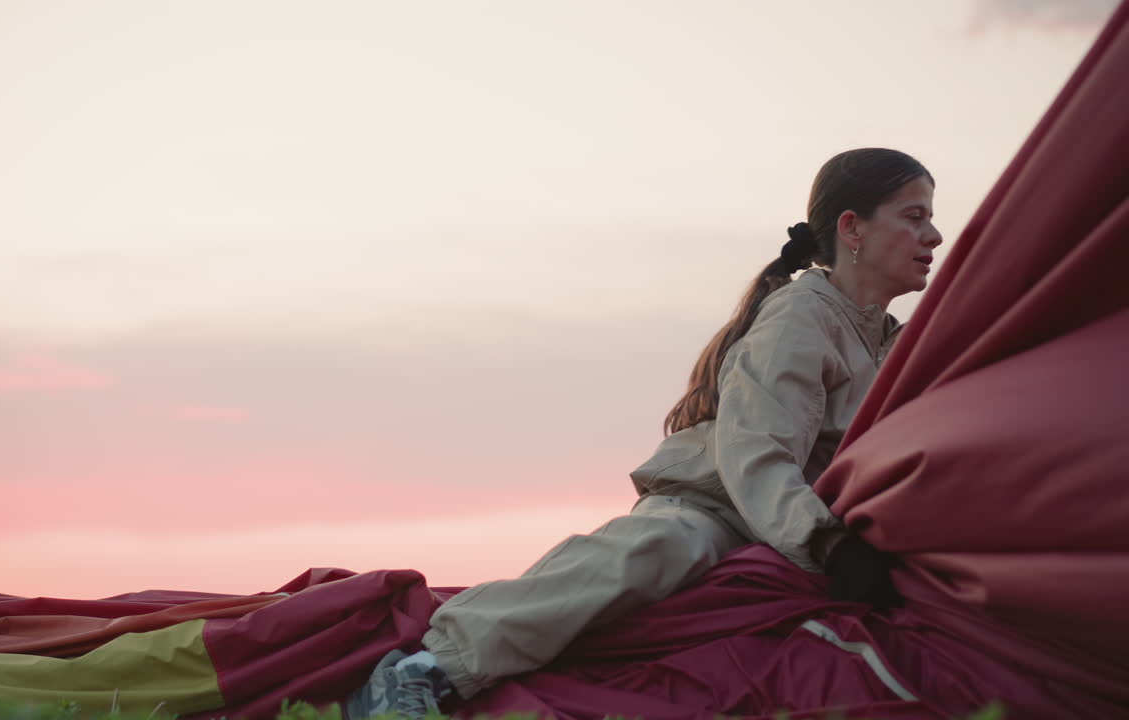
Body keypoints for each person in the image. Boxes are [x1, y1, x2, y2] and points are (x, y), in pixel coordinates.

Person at [345, 147, 944, 720]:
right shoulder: (801, 313)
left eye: (932, 219)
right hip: (717, 507)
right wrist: (825, 543)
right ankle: (425, 670)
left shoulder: (894, 341)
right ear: (852, 227)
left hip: (795, 526)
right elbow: (756, 450)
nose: (934, 236)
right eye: (914, 217)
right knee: (659, 551)